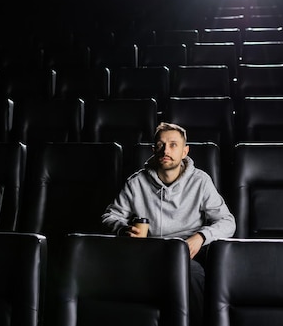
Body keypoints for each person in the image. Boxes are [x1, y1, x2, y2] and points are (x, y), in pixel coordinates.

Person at [101, 122, 236, 326]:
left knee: (192, 273)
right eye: (161, 145)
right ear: (154, 149)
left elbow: (227, 221)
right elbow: (110, 216)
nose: (166, 150)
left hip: (187, 253)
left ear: (185, 151)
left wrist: (200, 237)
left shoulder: (201, 181)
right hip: (148, 252)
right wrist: (122, 229)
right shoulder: (136, 182)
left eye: (173, 145)